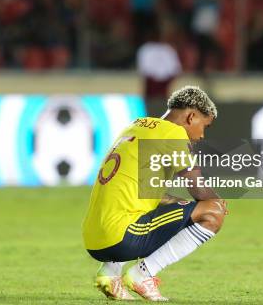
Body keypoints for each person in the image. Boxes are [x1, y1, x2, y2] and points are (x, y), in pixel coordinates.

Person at [82, 86, 227, 301]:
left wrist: (182, 205)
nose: (202, 135)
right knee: (213, 212)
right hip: (122, 238)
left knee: (162, 206)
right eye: (204, 126)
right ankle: (143, 274)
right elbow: (199, 189)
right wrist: (217, 202)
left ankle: (110, 274)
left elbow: (148, 193)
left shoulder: (136, 126)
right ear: (191, 116)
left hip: (94, 239)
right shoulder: (173, 133)